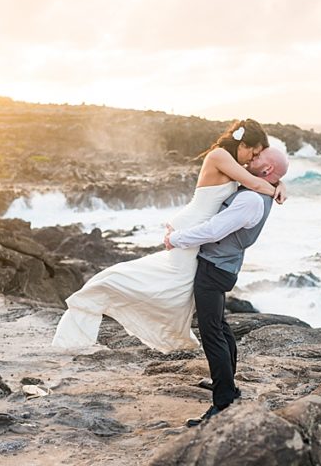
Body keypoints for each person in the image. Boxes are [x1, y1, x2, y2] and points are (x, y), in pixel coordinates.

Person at [52, 119, 287, 352]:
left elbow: (259, 178)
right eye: (253, 153)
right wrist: (276, 189)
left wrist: (280, 183)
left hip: (195, 230)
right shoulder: (220, 156)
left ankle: (177, 334)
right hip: (192, 228)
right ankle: (97, 296)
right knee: (170, 287)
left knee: (178, 290)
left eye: (257, 156)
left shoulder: (233, 161)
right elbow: (255, 184)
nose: (252, 159)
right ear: (242, 143)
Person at [163, 147, 289, 427]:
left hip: (214, 269)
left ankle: (223, 404)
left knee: (211, 334)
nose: (249, 161)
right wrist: (280, 184)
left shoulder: (252, 200)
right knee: (219, 325)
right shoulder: (260, 189)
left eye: (257, 159)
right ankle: (227, 385)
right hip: (222, 265)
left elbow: (213, 230)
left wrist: (176, 238)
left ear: (267, 170)